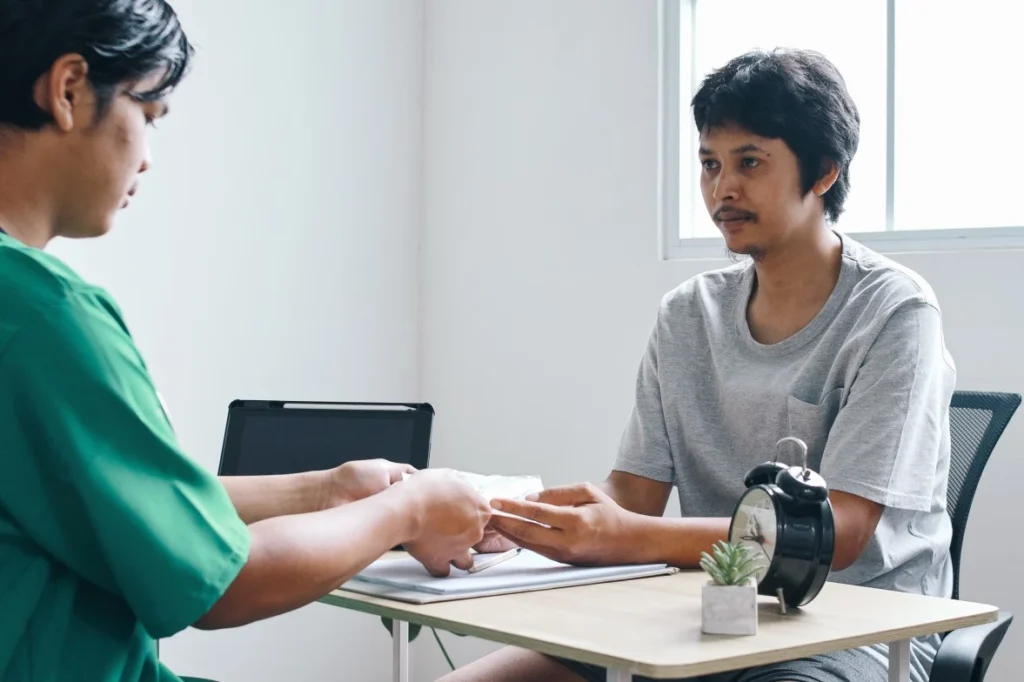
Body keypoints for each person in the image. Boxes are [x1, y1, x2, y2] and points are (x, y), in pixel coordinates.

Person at [0, 2, 492, 681]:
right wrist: (407, 509)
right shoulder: (45, 317)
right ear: (68, 89)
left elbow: (131, 501)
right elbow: (226, 584)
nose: (147, 157)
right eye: (148, 115)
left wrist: (328, 489)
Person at [442, 48, 956, 682]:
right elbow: (633, 495)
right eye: (710, 164)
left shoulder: (895, 310)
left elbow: (841, 534)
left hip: (849, 628)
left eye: (749, 163)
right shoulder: (688, 314)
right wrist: (515, 521)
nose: (722, 189)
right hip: (700, 612)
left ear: (824, 171)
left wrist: (622, 535)